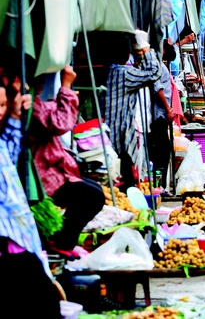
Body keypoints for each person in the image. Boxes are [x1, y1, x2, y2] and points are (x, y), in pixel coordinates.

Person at [0, 78, 62, 317]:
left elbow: (12, 147)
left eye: (4, 105)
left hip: (20, 239)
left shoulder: (3, 141)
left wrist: (15, 115)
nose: (1, 111)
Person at [30, 65, 105, 253]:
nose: (40, 84)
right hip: (40, 175)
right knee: (92, 196)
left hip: (51, 170)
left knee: (94, 191)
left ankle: (60, 238)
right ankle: (60, 242)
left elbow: (54, 116)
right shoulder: (27, 105)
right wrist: (66, 86)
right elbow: (60, 123)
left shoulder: (34, 103)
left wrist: (66, 94)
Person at [105, 30, 162, 188]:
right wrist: (145, 49)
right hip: (120, 138)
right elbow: (154, 73)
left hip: (107, 136)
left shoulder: (108, 71)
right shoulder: (123, 74)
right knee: (126, 180)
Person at [149, 40, 177, 187]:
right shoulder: (156, 64)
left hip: (158, 113)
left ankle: (160, 185)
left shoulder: (157, 63)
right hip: (158, 114)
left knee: (161, 151)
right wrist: (169, 109)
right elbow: (157, 87)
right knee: (161, 152)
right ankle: (159, 186)